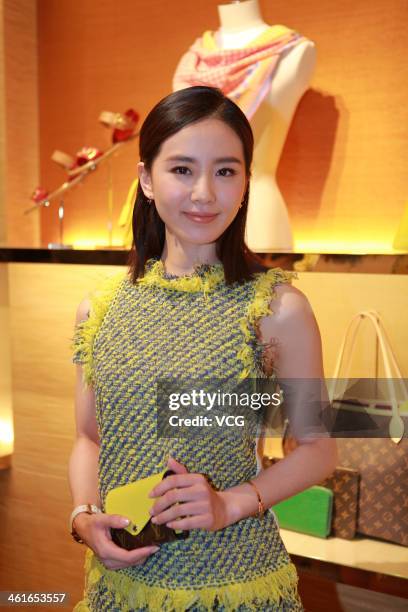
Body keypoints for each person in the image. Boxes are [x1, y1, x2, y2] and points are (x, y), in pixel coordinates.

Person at [68, 85, 337, 611]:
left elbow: (319, 448)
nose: (204, 194)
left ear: (245, 183)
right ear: (146, 179)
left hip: (234, 581)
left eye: (226, 170)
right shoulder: (98, 309)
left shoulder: (278, 309)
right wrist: (81, 517)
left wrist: (227, 504)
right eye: (183, 169)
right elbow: (87, 437)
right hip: (121, 584)